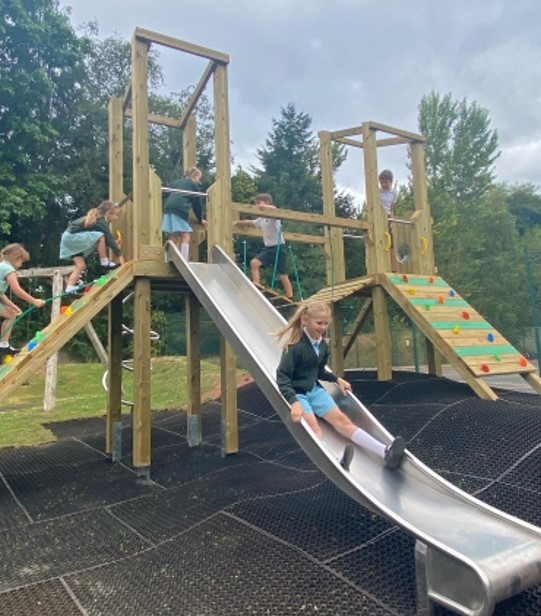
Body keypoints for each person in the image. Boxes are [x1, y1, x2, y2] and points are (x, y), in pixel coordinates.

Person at [276, 299, 406, 471]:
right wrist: (294, 402)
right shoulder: (295, 347)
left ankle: (385, 452)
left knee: (343, 420)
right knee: (313, 426)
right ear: (306, 320)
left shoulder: (322, 345)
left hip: (314, 390)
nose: (322, 327)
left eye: (325, 323)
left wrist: (336, 379)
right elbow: (282, 377)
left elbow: (319, 371)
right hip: (297, 392)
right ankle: (336, 460)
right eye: (319, 323)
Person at [235, 193, 294, 300]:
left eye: (259, 203)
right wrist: (238, 222)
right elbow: (251, 222)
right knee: (254, 262)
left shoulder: (273, 216)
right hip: (269, 248)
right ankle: (257, 284)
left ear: (266, 203)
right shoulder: (261, 219)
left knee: (282, 275)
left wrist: (264, 206)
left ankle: (290, 296)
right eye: (256, 203)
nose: (257, 205)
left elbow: (274, 209)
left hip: (279, 247)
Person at [60, 200, 125, 294]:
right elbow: (107, 237)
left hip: (69, 239)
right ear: (108, 213)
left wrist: (113, 242)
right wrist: (120, 256)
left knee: (81, 265)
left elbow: (98, 241)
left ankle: (70, 288)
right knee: (101, 235)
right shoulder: (101, 221)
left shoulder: (97, 219)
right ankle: (104, 261)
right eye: (116, 215)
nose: (117, 218)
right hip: (71, 237)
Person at [0, 243, 46, 355]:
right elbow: (17, 290)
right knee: (11, 316)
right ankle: (3, 345)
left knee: (11, 314)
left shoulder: (1, 266)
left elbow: (0, 294)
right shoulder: (9, 269)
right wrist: (34, 301)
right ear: (16, 258)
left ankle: (3, 345)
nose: (20, 265)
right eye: (21, 261)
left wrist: (12, 306)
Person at [162, 166, 208, 260]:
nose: (199, 181)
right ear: (194, 175)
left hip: (168, 209)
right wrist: (200, 219)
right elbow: (197, 205)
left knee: (173, 236)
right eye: (199, 178)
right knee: (185, 236)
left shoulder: (177, 182)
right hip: (180, 208)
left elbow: (165, 193)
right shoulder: (193, 185)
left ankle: (167, 258)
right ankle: (184, 259)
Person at [379, 169, 399, 271]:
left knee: (391, 242)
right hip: (379, 215)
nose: (384, 184)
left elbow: (392, 208)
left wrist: (392, 221)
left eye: (386, 182)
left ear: (391, 182)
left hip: (388, 216)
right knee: (380, 240)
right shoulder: (378, 192)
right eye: (382, 182)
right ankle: (382, 265)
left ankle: (393, 267)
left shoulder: (394, 193)